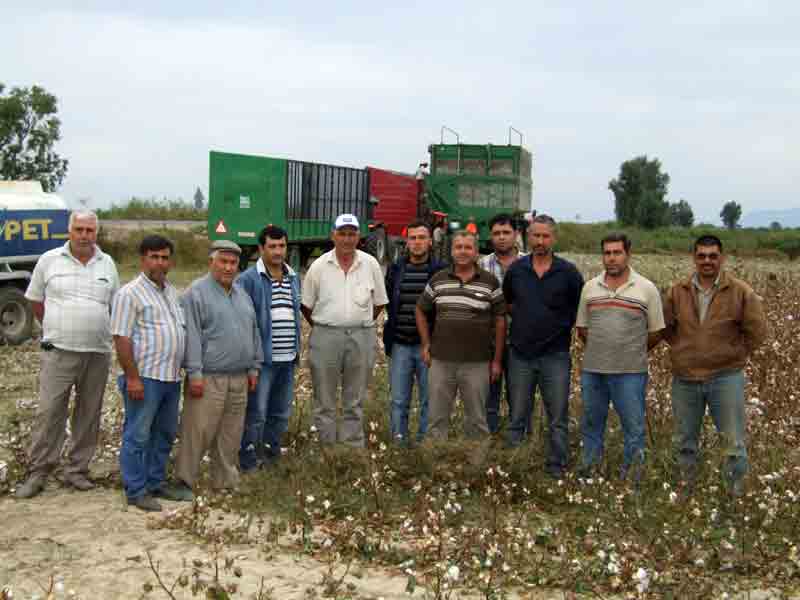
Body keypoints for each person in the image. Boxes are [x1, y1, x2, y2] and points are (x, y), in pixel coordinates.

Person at [16, 211, 119, 499]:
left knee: (89, 414)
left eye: (89, 230)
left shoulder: (107, 263)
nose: (84, 235)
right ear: (69, 231)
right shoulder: (49, 260)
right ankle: (39, 472)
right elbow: (36, 301)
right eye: (79, 229)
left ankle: (77, 470)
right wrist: (55, 326)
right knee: (49, 412)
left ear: (96, 233)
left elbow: (114, 305)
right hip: (58, 352)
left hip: (97, 353)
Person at [663, 235, 766, 497]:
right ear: (694, 258)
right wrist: (685, 350)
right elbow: (666, 328)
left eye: (712, 256)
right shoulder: (677, 291)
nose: (707, 261)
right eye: (701, 256)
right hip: (685, 378)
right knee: (684, 443)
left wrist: (733, 354)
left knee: (733, 445)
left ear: (722, 258)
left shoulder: (741, 292)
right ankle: (684, 495)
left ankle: (734, 497)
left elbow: (757, 332)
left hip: (725, 378)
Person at [166, 240, 263, 501]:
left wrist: (254, 367)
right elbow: (192, 337)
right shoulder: (195, 293)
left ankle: (225, 480)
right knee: (198, 430)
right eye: (223, 262)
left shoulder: (242, 295)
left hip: (239, 377)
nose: (229, 268)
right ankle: (184, 480)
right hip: (208, 377)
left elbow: (253, 331)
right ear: (211, 262)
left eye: (233, 263)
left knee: (231, 433)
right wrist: (195, 373)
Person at [576, 233, 664, 481]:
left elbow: (656, 332)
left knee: (633, 429)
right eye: (607, 253)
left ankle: (632, 481)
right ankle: (590, 475)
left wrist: (630, 351)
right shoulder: (590, 288)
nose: (612, 258)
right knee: (591, 426)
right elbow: (582, 328)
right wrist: (603, 350)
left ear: (628, 254)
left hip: (630, 373)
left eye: (617, 252)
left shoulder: (646, 289)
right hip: (594, 371)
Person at [502, 215, 583, 478]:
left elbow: (579, 309)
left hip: (555, 355)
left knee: (557, 416)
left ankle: (556, 466)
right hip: (520, 355)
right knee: (517, 415)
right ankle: (514, 466)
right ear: (528, 237)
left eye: (545, 236)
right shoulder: (516, 270)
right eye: (535, 235)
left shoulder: (569, 273)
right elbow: (508, 303)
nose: (540, 241)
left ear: (553, 238)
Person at [111, 235, 185, 512]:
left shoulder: (171, 292)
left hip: (171, 377)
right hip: (145, 378)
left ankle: (155, 482)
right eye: (154, 257)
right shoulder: (129, 294)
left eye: (165, 257)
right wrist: (132, 377)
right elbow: (122, 339)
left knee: (164, 433)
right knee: (138, 435)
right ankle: (135, 489)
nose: (160, 262)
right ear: (143, 259)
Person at [301, 214, 388, 447]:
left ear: (358, 237)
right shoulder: (319, 267)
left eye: (352, 234)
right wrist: (328, 325)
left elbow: (379, 302)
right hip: (325, 336)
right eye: (342, 233)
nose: (347, 239)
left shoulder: (371, 264)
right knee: (324, 398)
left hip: (361, 335)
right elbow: (306, 305)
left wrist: (359, 322)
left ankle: (352, 447)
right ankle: (326, 448)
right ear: (333, 236)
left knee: (355, 398)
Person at [416, 230, 505, 441]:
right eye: (458, 247)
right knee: (436, 419)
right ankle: (434, 457)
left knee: (477, 420)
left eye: (468, 247)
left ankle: (476, 459)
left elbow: (500, 321)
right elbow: (420, 309)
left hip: (477, 363)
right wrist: (426, 344)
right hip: (441, 361)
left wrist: (497, 361)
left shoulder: (490, 282)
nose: (463, 251)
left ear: (476, 252)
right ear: (452, 251)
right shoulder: (438, 279)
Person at [238, 226, 302, 471]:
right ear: (261, 248)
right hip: (263, 361)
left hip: (288, 359)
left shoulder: (293, 277)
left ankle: (271, 457)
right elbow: (244, 322)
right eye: (272, 246)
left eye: (282, 246)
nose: (278, 251)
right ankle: (249, 461)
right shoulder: (249, 279)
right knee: (257, 413)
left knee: (280, 413)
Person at [383, 221, 447, 445]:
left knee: (430, 400)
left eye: (422, 238)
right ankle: (398, 443)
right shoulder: (396, 269)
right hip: (400, 343)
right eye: (413, 238)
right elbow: (388, 300)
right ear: (407, 242)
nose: (417, 242)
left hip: (430, 346)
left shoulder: (441, 271)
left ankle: (424, 443)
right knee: (399, 400)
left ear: (430, 242)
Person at [479, 213, 526, 434]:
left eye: (506, 232)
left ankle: (518, 440)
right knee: (489, 395)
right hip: (489, 341)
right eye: (496, 233)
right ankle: (489, 438)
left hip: (521, 341)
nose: (501, 237)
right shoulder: (481, 265)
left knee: (519, 396)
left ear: (516, 234)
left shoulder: (529, 263)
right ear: (491, 236)